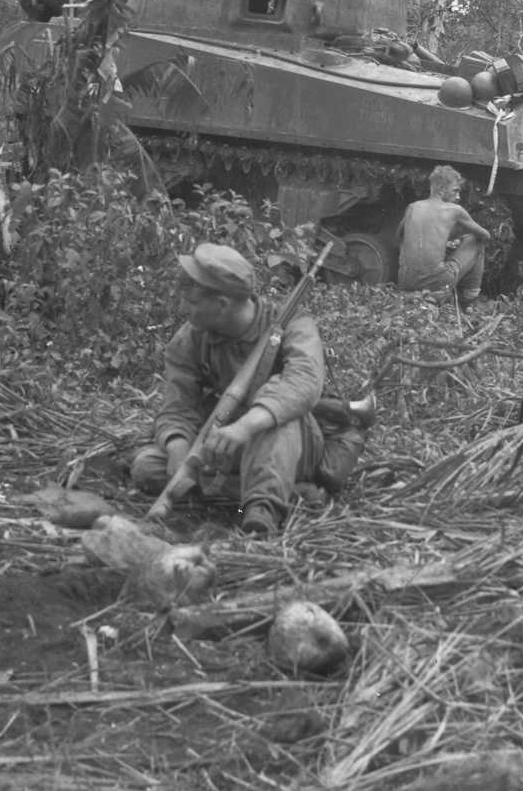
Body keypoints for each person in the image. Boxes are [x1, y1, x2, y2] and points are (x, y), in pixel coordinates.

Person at [130, 243, 369, 537]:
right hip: (230, 449)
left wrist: (245, 427)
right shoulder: (191, 339)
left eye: (191, 302)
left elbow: (303, 384)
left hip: (292, 444)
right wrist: (180, 451)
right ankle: (288, 494)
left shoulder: (294, 323)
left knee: (277, 404)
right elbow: (178, 406)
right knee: (147, 468)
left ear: (222, 304)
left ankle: (261, 510)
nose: (182, 309)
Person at [396, 166, 492, 307]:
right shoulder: (455, 210)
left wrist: (443, 244)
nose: (458, 197)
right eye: (455, 191)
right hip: (437, 280)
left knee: (406, 243)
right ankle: (471, 302)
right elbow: (486, 235)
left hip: (405, 279)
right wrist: (461, 239)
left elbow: (399, 234)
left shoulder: (413, 207)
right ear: (441, 189)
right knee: (476, 242)